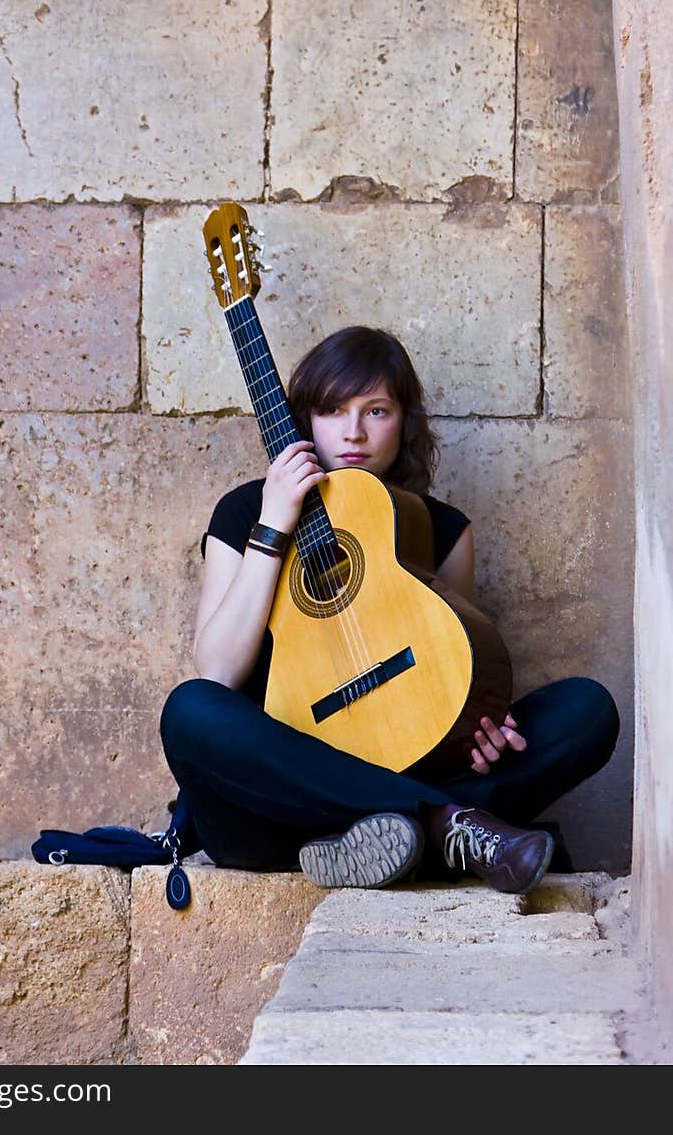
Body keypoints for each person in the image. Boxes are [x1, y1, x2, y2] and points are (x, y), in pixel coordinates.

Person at [160, 326, 620, 894]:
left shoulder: (442, 530)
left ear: (404, 421)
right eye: (332, 410)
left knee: (588, 709)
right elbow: (220, 672)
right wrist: (274, 523)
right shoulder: (243, 512)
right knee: (190, 710)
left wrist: (479, 731)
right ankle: (449, 824)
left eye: (375, 410)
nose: (353, 432)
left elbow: (453, 671)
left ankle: (404, 832)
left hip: (413, 761)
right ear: (305, 420)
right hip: (274, 812)